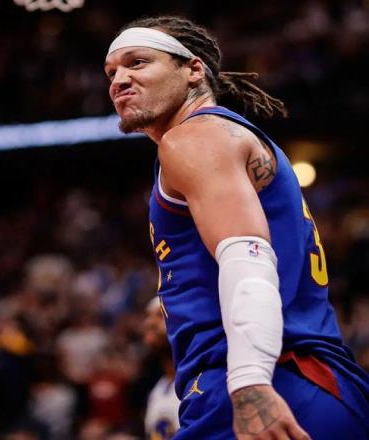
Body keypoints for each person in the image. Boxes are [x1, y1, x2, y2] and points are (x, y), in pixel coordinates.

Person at [104, 16, 369, 440]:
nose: (119, 80)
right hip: (306, 381)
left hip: (268, 381)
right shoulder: (219, 137)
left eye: (138, 62)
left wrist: (250, 383)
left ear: (193, 70)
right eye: (111, 72)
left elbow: (248, 259)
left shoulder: (196, 137)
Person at [143, 296, 179, 439]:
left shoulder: (200, 381)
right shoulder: (158, 387)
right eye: (147, 316)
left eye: (160, 315)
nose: (149, 322)